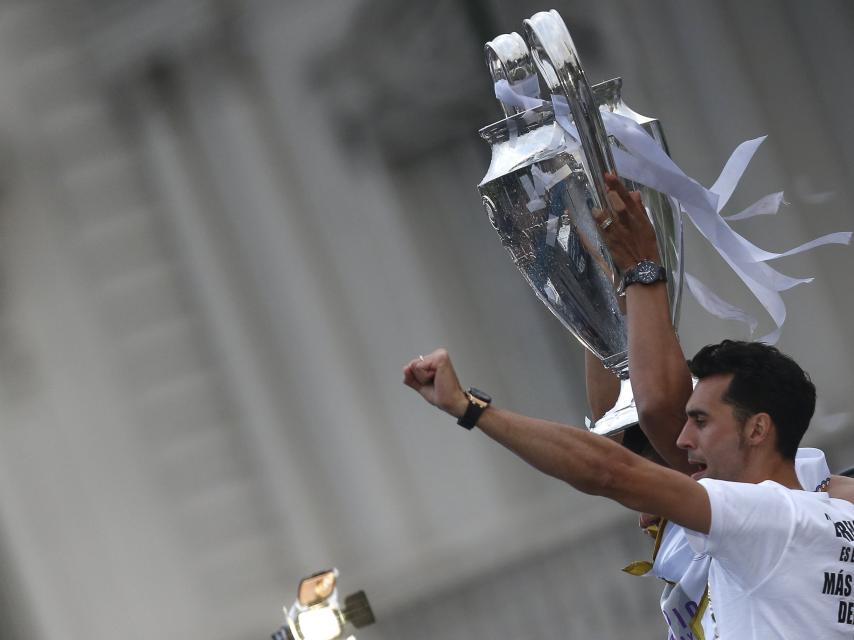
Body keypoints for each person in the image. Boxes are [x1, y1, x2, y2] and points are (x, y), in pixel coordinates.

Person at [403, 178, 854, 638]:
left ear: (758, 430)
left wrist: (469, 408)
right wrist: (601, 287)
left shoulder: (769, 517)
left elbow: (616, 463)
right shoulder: (827, 516)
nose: (683, 438)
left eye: (699, 421)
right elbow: (622, 424)